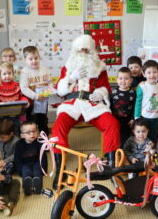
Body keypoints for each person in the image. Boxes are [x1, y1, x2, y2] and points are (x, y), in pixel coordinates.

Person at [51, 34, 120, 189]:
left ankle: (110, 166)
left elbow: (106, 87)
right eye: (80, 50)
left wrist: (101, 93)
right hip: (72, 104)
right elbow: (60, 91)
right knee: (57, 129)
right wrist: (70, 78)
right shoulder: (67, 67)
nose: (83, 53)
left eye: (86, 50)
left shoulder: (100, 68)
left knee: (112, 124)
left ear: (92, 51)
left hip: (92, 104)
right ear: (75, 51)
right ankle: (59, 171)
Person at [19, 46, 52, 135]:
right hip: (32, 103)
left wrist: (47, 93)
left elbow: (50, 83)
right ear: (25, 59)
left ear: (39, 57)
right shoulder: (24, 72)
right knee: (32, 123)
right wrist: (36, 96)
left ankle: (45, 142)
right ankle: (32, 142)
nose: (34, 61)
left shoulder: (44, 70)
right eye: (30, 59)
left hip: (43, 102)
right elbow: (24, 88)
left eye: (36, 58)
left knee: (43, 121)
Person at [134, 60, 158, 142]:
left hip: (156, 117)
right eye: (149, 72)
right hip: (145, 117)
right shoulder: (142, 86)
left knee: (153, 138)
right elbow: (138, 102)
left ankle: (151, 153)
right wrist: (136, 117)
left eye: (154, 72)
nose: (152, 75)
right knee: (143, 138)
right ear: (144, 74)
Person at [14, 121, 47, 195]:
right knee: (26, 172)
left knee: (37, 172)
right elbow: (17, 159)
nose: (32, 134)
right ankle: (27, 186)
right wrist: (20, 171)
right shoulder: (19, 144)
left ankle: (38, 185)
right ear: (22, 135)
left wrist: (44, 169)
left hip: (37, 162)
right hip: (25, 163)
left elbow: (43, 157)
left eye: (34, 131)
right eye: (28, 132)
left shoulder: (40, 142)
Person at [110, 67, 136, 148]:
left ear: (131, 80)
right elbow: (110, 106)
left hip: (127, 121)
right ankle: (113, 151)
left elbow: (135, 107)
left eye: (126, 79)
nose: (123, 81)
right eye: (120, 78)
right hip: (115, 119)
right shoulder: (113, 93)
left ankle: (124, 151)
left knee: (125, 137)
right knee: (115, 136)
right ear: (117, 80)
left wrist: (133, 118)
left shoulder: (133, 93)